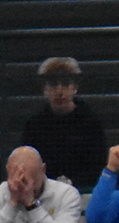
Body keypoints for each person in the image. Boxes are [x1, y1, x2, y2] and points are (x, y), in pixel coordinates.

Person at [20, 56, 108, 198]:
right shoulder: (34, 124)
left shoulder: (90, 122)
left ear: (75, 87)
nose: (59, 91)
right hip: (43, 194)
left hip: (83, 193)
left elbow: (98, 164)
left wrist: (73, 184)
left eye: (66, 84)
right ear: (44, 89)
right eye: (53, 85)